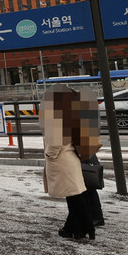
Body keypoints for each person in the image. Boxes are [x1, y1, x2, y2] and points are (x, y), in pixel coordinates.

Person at [41, 85, 98, 241]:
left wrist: (49, 155)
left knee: (75, 199)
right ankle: (74, 229)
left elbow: (55, 141)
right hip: (71, 159)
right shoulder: (73, 112)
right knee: (75, 197)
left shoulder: (58, 116)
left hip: (61, 161)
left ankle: (85, 229)